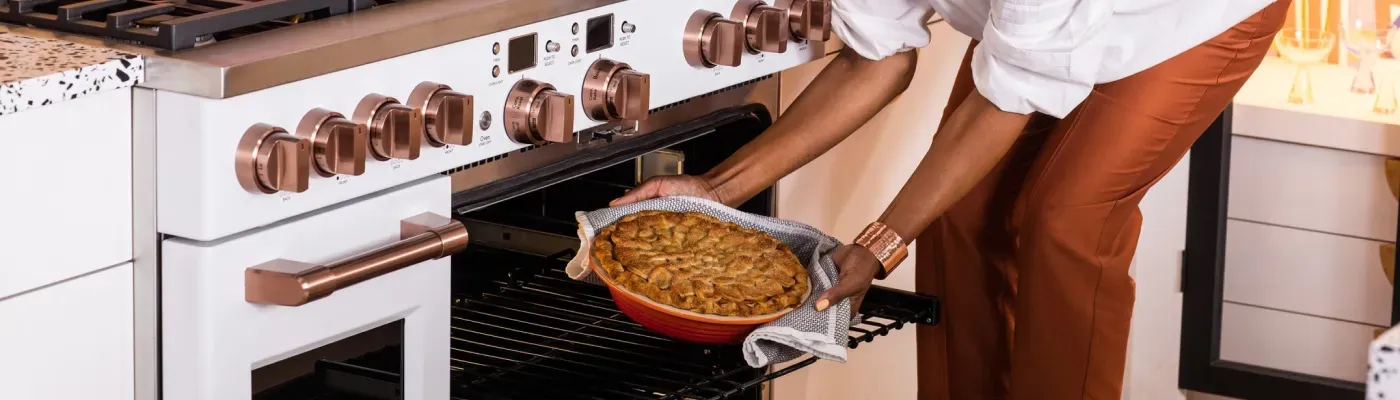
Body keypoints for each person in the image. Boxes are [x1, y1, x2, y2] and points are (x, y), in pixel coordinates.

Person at [612, 0, 1291, 398]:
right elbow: (877, 56)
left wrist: (877, 245)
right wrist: (713, 191)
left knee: (1065, 218)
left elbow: (1008, 98)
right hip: (1056, 26)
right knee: (958, 217)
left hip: (1188, 16)